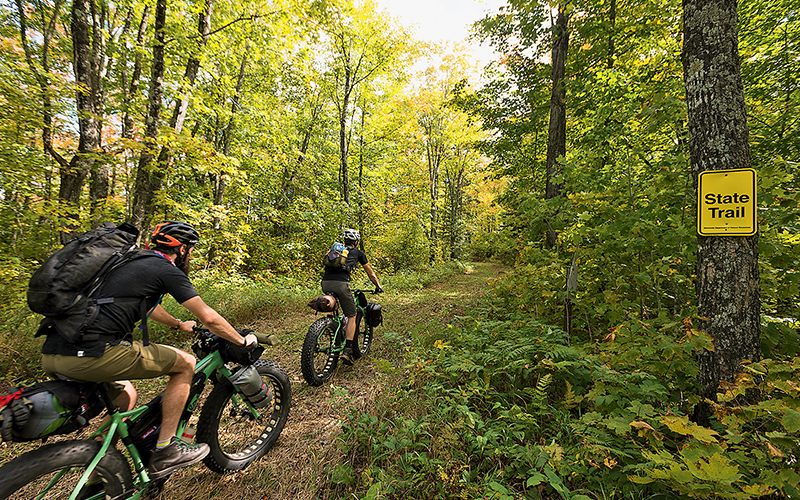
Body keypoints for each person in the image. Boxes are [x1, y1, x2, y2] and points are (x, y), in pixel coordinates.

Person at [40, 221, 257, 480]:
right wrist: (240, 341)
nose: (191, 255)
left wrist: (178, 324)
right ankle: (166, 450)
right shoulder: (166, 268)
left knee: (125, 397)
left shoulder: (128, 261)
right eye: (191, 250)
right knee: (186, 363)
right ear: (184, 249)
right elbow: (209, 318)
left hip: (54, 353)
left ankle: (97, 473)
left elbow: (148, 307)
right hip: (96, 352)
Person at [321, 228, 383, 365]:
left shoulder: (336, 251)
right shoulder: (358, 253)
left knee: (333, 304)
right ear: (356, 242)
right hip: (341, 284)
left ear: (345, 240)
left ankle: (331, 327)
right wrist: (378, 286)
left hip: (325, 283)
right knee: (352, 315)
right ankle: (347, 351)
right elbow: (370, 274)